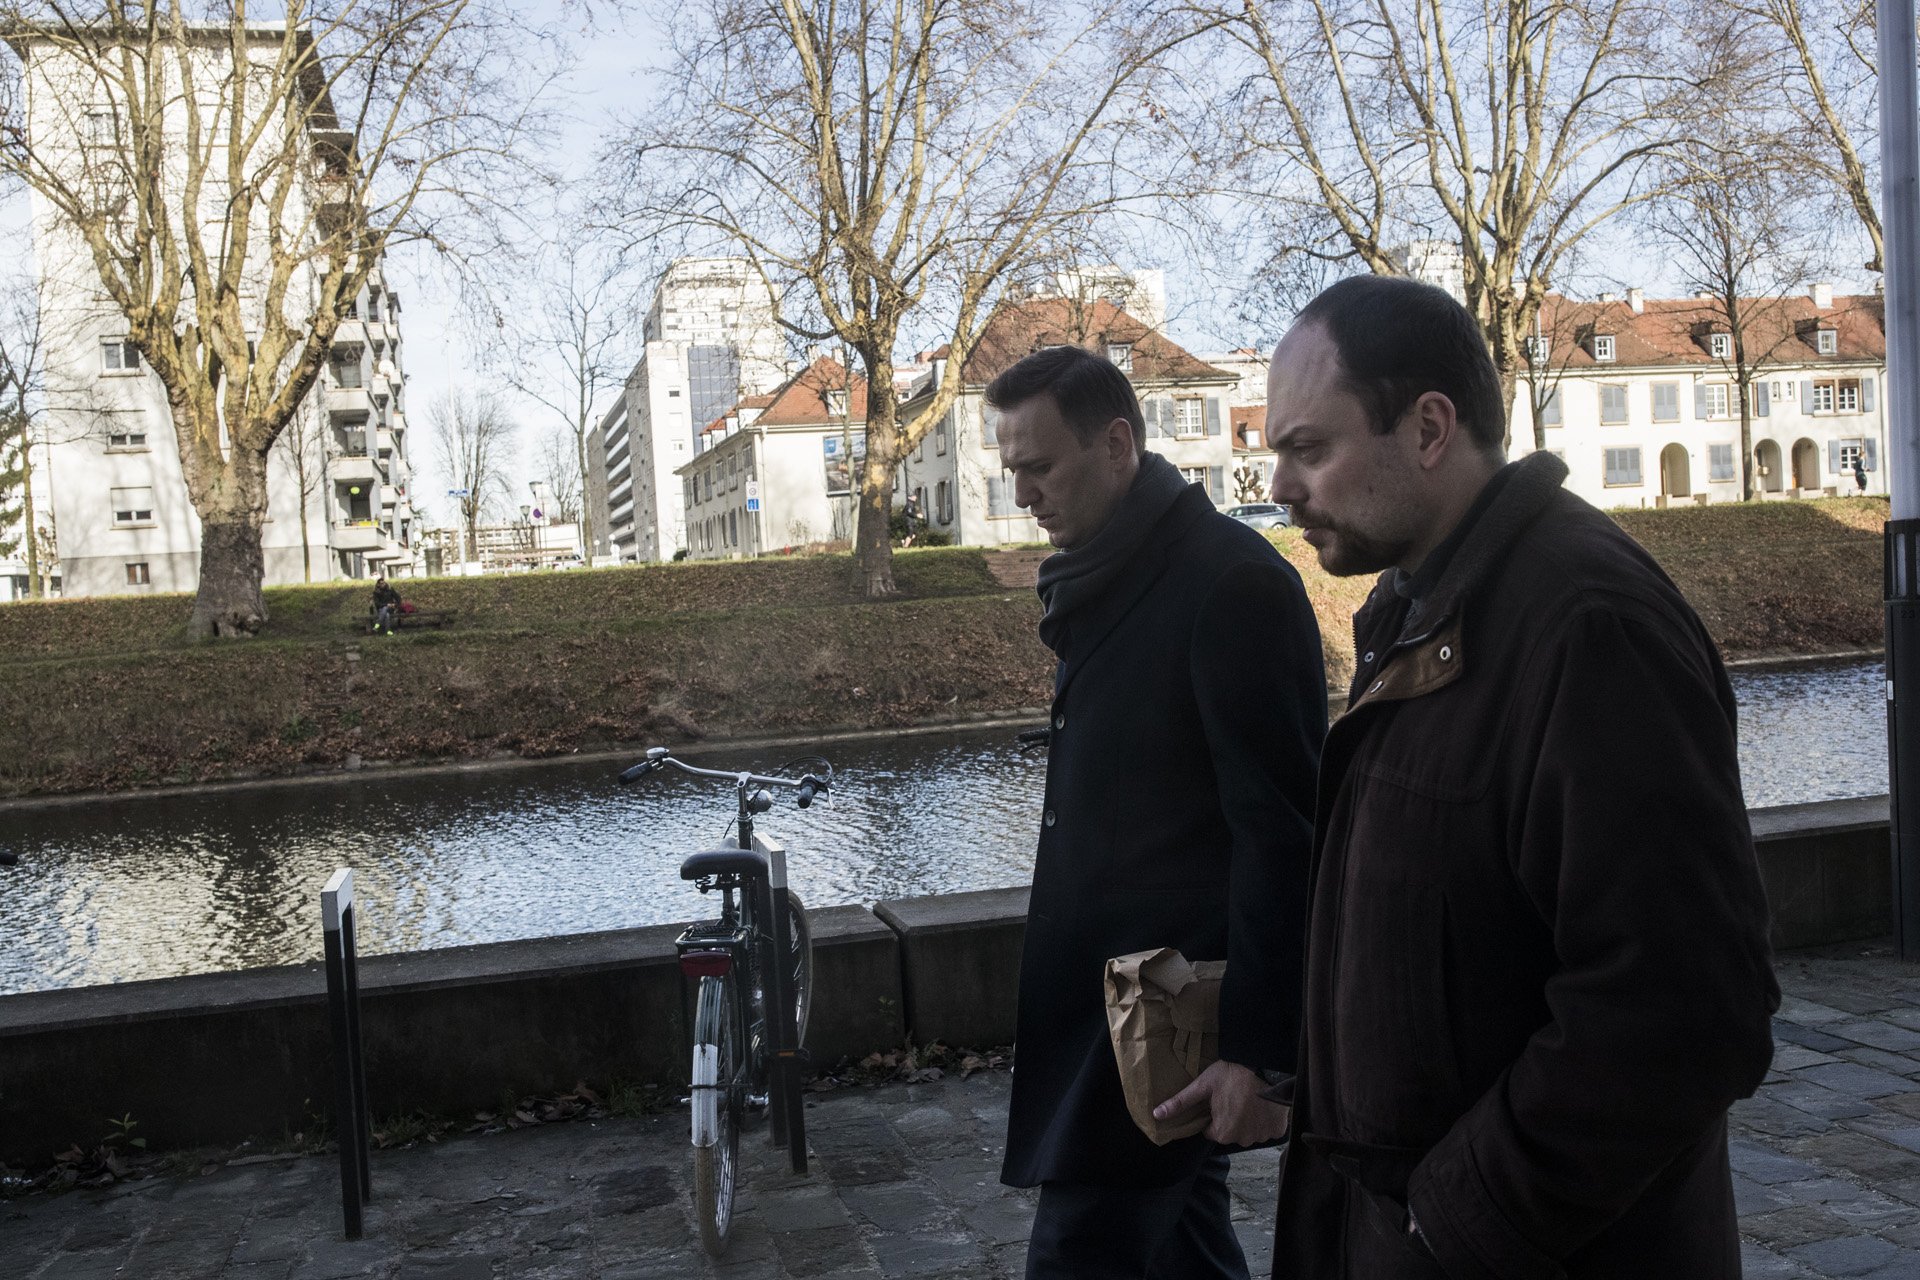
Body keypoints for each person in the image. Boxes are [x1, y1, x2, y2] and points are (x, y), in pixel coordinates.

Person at [1263, 275, 1778, 1277]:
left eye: (1308, 449)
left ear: (1429, 428)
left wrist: (1450, 1220)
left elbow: (1687, 1005)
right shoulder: (1423, 608)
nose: (1281, 488)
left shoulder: (1589, 625)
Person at [991, 345, 1325, 1279]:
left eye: (1040, 467)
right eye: (1012, 470)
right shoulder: (1106, 572)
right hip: (1107, 1015)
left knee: (1080, 1258)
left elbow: (1285, 833)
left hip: (1160, 1016)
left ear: (1118, 445)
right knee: (1187, 1256)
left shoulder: (1231, 582)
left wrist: (1263, 1055)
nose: (1024, 496)